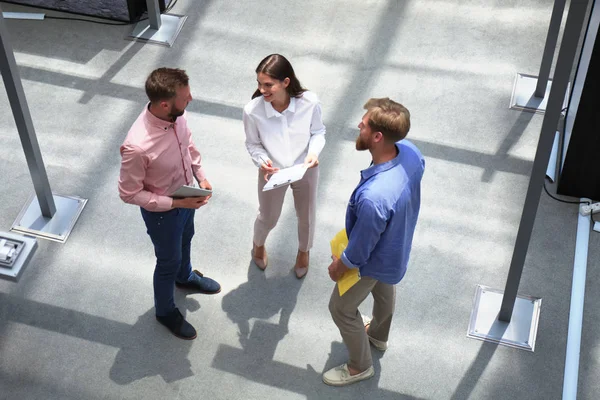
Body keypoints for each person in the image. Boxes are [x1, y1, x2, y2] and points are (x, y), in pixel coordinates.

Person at [323, 98, 425, 386]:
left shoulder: (373, 198)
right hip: (395, 248)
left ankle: (360, 366)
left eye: (364, 124)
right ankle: (378, 336)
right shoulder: (409, 152)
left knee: (341, 309)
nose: (359, 125)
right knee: (384, 289)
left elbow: (360, 249)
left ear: (378, 137)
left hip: (373, 258)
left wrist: (339, 267)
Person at [118, 67, 221, 340]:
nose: (191, 100)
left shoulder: (177, 116)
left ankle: (184, 277)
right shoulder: (137, 147)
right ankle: (164, 311)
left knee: (187, 237)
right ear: (165, 103)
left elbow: (187, 144)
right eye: (185, 97)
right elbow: (128, 193)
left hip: (185, 197)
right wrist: (173, 203)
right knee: (167, 261)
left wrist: (200, 175)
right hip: (163, 213)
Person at [243, 54, 326, 279]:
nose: (262, 90)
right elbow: (253, 143)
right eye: (259, 84)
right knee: (268, 216)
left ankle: (303, 251)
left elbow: (318, 132)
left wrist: (313, 153)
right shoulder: (253, 111)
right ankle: (258, 244)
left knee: (306, 216)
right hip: (273, 172)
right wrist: (262, 162)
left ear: (286, 82)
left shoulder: (309, 102)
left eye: (268, 85)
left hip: (305, 168)